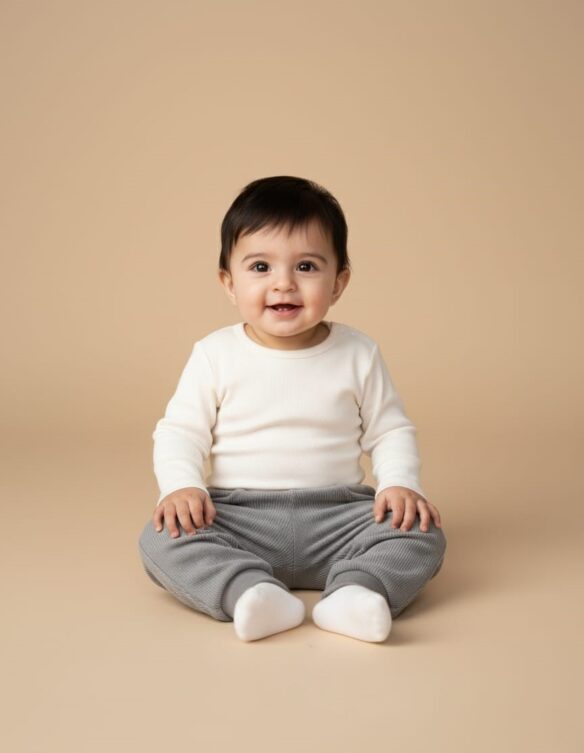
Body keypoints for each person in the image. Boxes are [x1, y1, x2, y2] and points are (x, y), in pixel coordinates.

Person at [138, 175, 447, 644]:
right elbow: (180, 431)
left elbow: (389, 431)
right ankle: (249, 592)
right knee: (161, 537)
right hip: (238, 516)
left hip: (339, 516)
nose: (283, 284)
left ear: (338, 282)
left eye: (306, 266)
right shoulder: (214, 354)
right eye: (260, 267)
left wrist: (400, 484)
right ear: (229, 283)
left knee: (422, 532)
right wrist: (182, 487)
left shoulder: (358, 353)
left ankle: (357, 592)